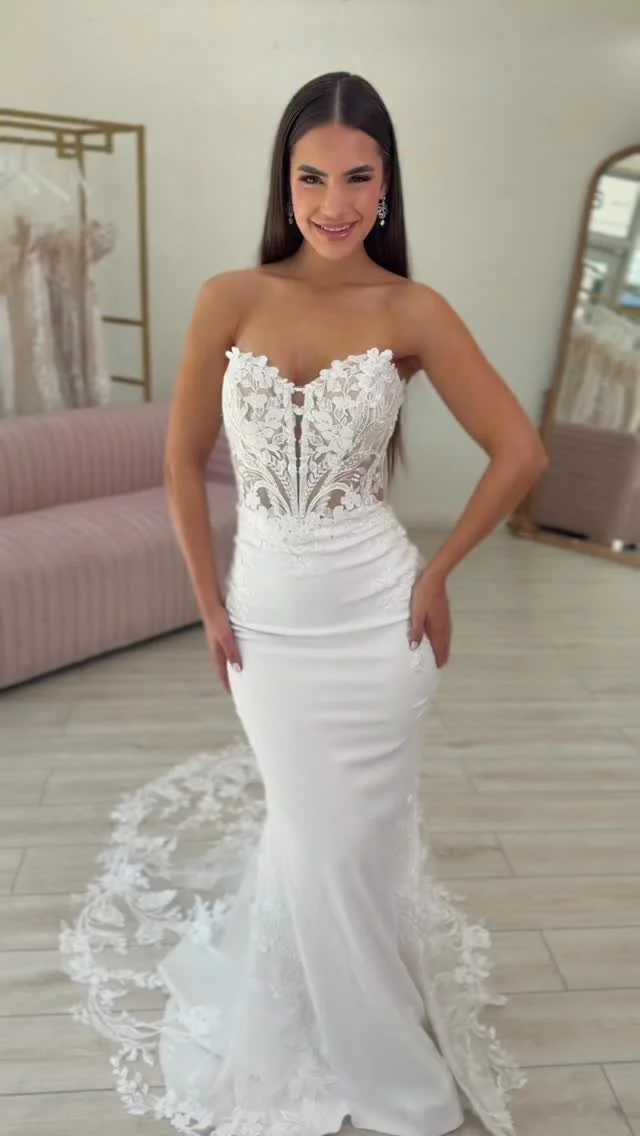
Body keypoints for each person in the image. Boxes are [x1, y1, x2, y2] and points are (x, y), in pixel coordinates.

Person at [61, 73, 546, 1136]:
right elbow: (181, 460)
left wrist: (436, 571)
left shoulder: (411, 309)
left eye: (358, 178)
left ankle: (377, 1053)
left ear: (387, 183)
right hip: (268, 624)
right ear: (285, 182)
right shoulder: (230, 296)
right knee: (313, 836)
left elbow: (522, 452)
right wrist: (208, 604)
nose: (335, 203)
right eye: (312, 177)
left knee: (350, 844)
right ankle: (336, 1028)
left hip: (378, 619)